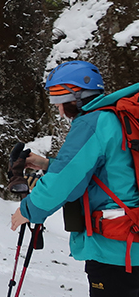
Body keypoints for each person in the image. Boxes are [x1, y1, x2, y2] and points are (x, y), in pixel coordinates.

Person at [11, 60, 139, 296]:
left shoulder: (92, 123)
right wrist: (47, 164)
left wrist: (27, 209)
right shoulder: (117, 118)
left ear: (79, 95)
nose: (59, 109)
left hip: (117, 248)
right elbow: (112, 170)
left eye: (60, 98)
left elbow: (64, 184)